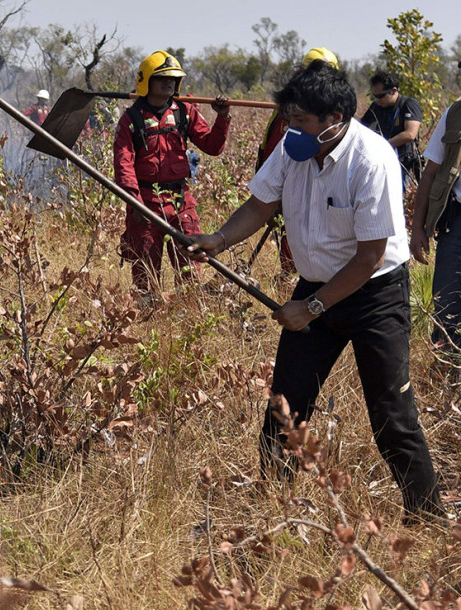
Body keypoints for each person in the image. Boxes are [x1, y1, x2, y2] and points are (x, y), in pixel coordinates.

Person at [187, 62, 442, 520]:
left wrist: (311, 308)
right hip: (315, 287)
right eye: (290, 118)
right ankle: (273, 511)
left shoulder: (372, 160)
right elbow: (261, 204)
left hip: (374, 294)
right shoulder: (293, 148)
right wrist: (219, 240)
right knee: (285, 407)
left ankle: (426, 514)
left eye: (301, 120)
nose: (292, 128)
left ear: (335, 119)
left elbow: (369, 256)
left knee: (392, 416)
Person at [113, 50, 230, 301]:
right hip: (145, 204)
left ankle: (188, 311)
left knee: (190, 268)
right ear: (146, 81)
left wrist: (222, 118)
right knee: (145, 272)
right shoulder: (131, 120)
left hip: (180, 202)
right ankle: (148, 314)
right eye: (162, 77)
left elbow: (212, 146)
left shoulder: (185, 112)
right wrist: (134, 202)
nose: (169, 82)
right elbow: (123, 164)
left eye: (173, 78)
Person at [255, 47, 340, 275]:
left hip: (328, 198)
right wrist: (275, 199)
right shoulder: (289, 114)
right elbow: (274, 154)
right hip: (294, 194)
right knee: (293, 252)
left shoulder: (339, 117)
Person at [410, 98, 461, 369]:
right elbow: (430, 173)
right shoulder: (455, 113)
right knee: (447, 305)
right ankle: (444, 374)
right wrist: (418, 228)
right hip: (456, 223)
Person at [360, 70, 422, 188]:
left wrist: (384, 146)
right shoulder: (376, 106)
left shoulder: (408, 104)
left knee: (396, 192)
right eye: (375, 96)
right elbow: (362, 127)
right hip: (378, 160)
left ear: (393, 91)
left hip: (401, 161)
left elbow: (410, 134)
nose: (377, 100)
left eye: (381, 96)